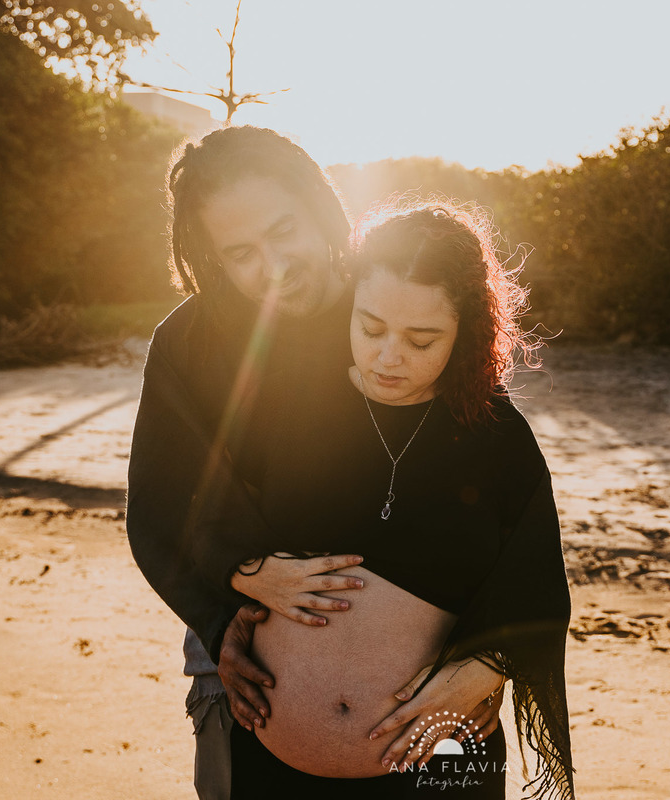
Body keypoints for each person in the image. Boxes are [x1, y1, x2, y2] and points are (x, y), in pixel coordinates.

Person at [125, 127, 507, 799]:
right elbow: (161, 508)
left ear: (318, 205)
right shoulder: (187, 346)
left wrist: (491, 652)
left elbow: (498, 497)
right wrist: (234, 597)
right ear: (210, 256)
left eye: (284, 232)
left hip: (433, 678)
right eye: (240, 253)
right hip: (247, 674)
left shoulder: (396, 305)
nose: (272, 265)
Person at [215, 204, 574, 799]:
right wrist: (227, 614)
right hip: (272, 755)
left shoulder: (496, 435)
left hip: (448, 752)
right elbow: (215, 527)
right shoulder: (290, 408)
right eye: (370, 326)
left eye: (421, 339)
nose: (388, 356)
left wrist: (479, 675)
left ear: (467, 332)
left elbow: (534, 587)